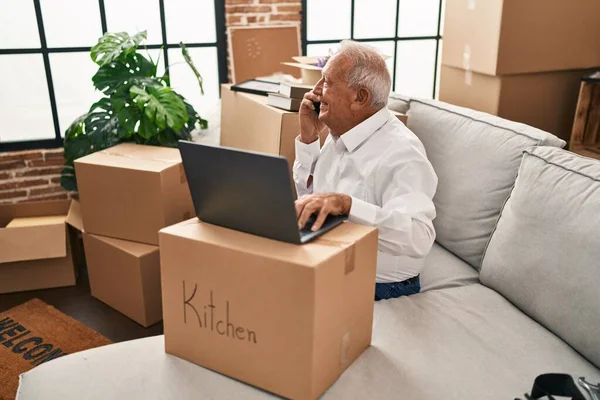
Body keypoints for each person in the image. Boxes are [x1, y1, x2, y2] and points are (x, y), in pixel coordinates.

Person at [293, 40, 438, 301]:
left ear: (359, 98)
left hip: (381, 284)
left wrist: (348, 205)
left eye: (326, 82)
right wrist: (308, 139)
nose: (314, 92)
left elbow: (419, 236)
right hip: (330, 256)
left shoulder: (402, 152)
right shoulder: (342, 130)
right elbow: (313, 201)